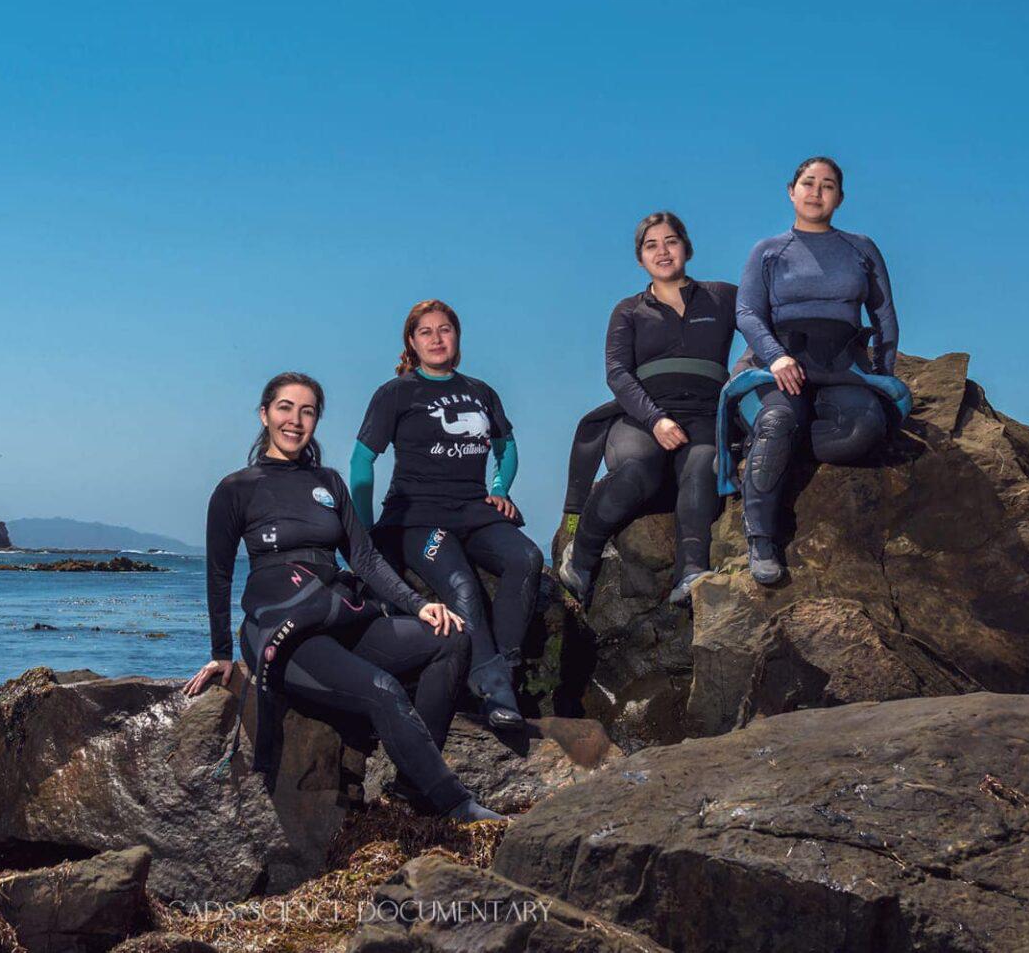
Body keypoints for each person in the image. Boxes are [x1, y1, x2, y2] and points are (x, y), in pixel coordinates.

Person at [184, 371, 502, 823]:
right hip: (286, 630)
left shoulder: (329, 483)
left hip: (340, 614)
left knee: (451, 638)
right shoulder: (237, 488)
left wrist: (419, 605)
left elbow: (366, 560)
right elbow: (218, 574)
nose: (295, 420)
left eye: (307, 411)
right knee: (382, 689)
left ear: (316, 421)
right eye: (285, 408)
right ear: (264, 414)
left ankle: (413, 783)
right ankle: (453, 803)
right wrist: (221, 654)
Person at [350, 300, 543, 731]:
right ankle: (495, 693)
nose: (436, 339)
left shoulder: (481, 391)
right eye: (425, 332)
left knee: (526, 559)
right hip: (417, 516)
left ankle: (501, 670)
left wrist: (499, 490)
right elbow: (362, 460)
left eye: (445, 330)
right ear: (412, 343)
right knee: (462, 586)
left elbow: (505, 446)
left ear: (457, 337)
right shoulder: (396, 392)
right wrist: (362, 534)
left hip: (474, 509)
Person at [732, 156, 902, 584]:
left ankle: (785, 446)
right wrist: (776, 357)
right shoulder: (768, 251)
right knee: (777, 421)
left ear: (840, 198)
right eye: (808, 183)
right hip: (782, 364)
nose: (816, 192)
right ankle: (761, 540)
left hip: (842, 365)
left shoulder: (861, 247)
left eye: (827, 185)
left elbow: (884, 318)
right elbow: (748, 312)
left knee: (863, 430)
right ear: (791, 191)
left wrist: (883, 376)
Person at [557, 212, 736, 608]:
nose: (663, 251)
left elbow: (760, 326)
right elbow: (617, 373)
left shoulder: (723, 296)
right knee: (640, 470)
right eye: (651, 245)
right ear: (640, 259)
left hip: (705, 415)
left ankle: (690, 573)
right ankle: (581, 558)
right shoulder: (628, 310)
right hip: (640, 417)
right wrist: (656, 420)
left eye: (671, 241)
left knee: (702, 463)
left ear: (686, 247)